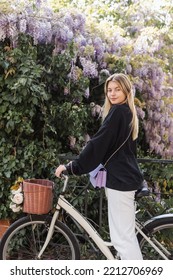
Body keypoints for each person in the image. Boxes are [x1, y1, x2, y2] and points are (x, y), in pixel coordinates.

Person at [55, 73, 143, 260]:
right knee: (124, 237)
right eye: (109, 90)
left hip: (120, 181)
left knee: (123, 240)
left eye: (117, 89)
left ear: (126, 91)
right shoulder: (126, 112)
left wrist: (73, 167)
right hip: (125, 178)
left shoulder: (118, 112)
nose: (112, 94)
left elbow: (98, 144)